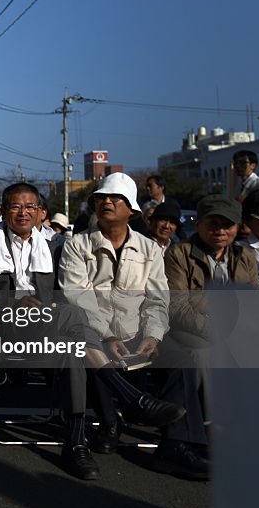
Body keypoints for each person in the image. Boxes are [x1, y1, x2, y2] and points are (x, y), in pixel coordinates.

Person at [58, 173, 190, 464]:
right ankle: (118, 415)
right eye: (101, 197)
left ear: (132, 210)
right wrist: (109, 335)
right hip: (95, 332)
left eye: (116, 198)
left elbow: (158, 299)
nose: (107, 201)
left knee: (182, 358)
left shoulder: (149, 248)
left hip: (136, 333)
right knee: (77, 339)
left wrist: (152, 335)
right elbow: (78, 296)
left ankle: (174, 444)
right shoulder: (77, 244)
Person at [0, 183, 100, 479]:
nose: (23, 212)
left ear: (39, 212)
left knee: (70, 346)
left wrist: (48, 307)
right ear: (3, 211)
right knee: (71, 319)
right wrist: (15, 302)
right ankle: (128, 397)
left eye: (30, 206)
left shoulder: (55, 247)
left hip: (46, 329)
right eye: (16, 207)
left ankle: (76, 443)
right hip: (3, 327)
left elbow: (62, 292)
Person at [161, 194, 259, 479]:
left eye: (227, 225)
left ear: (237, 227)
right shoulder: (180, 253)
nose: (220, 231)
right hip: (188, 330)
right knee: (201, 353)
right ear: (199, 224)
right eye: (212, 224)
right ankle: (207, 431)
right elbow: (177, 306)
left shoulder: (244, 256)